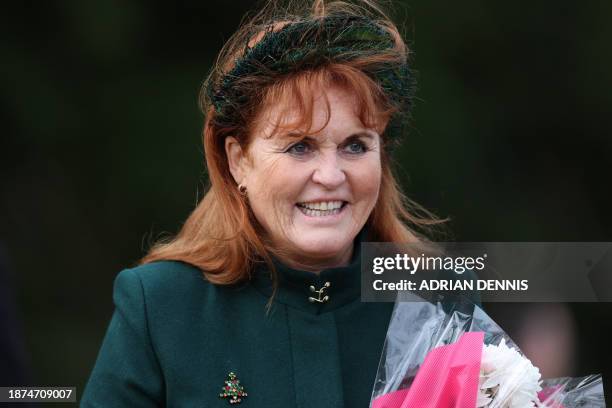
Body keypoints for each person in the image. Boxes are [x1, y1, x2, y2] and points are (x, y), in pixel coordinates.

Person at [81, 0, 442, 406]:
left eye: (355, 145)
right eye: (299, 146)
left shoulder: (435, 303)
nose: (330, 175)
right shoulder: (162, 307)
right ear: (239, 161)